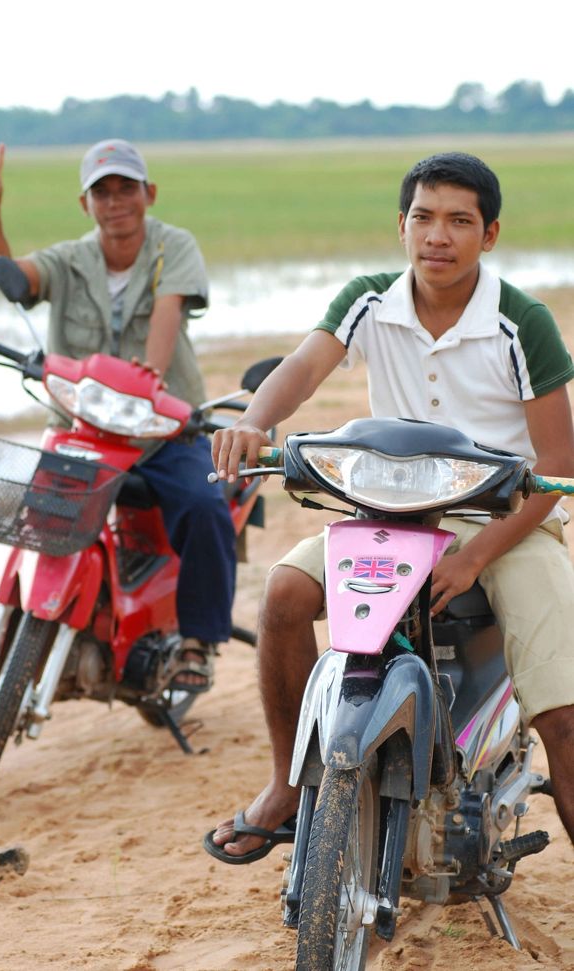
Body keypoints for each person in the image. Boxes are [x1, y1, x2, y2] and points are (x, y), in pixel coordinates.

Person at [205, 151, 574, 861]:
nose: (438, 235)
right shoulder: (370, 299)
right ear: (401, 225)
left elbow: (558, 465)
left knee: (563, 714)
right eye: (423, 217)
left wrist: (474, 557)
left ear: (489, 234)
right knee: (284, 593)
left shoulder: (520, 321)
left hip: (506, 522)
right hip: (393, 516)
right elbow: (303, 367)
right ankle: (287, 784)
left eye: (459, 221)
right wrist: (254, 421)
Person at [0, 136, 237, 693]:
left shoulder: (173, 246)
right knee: (38, 519)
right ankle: (28, 628)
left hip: (161, 429)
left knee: (204, 505)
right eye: (103, 192)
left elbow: (166, 318)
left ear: (149, 193)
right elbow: (14, 278)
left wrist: (150, 384)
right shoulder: (68, 259)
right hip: (84, 433)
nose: (115, 202)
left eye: (126, 189)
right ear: (85, 204)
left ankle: (198, 640)